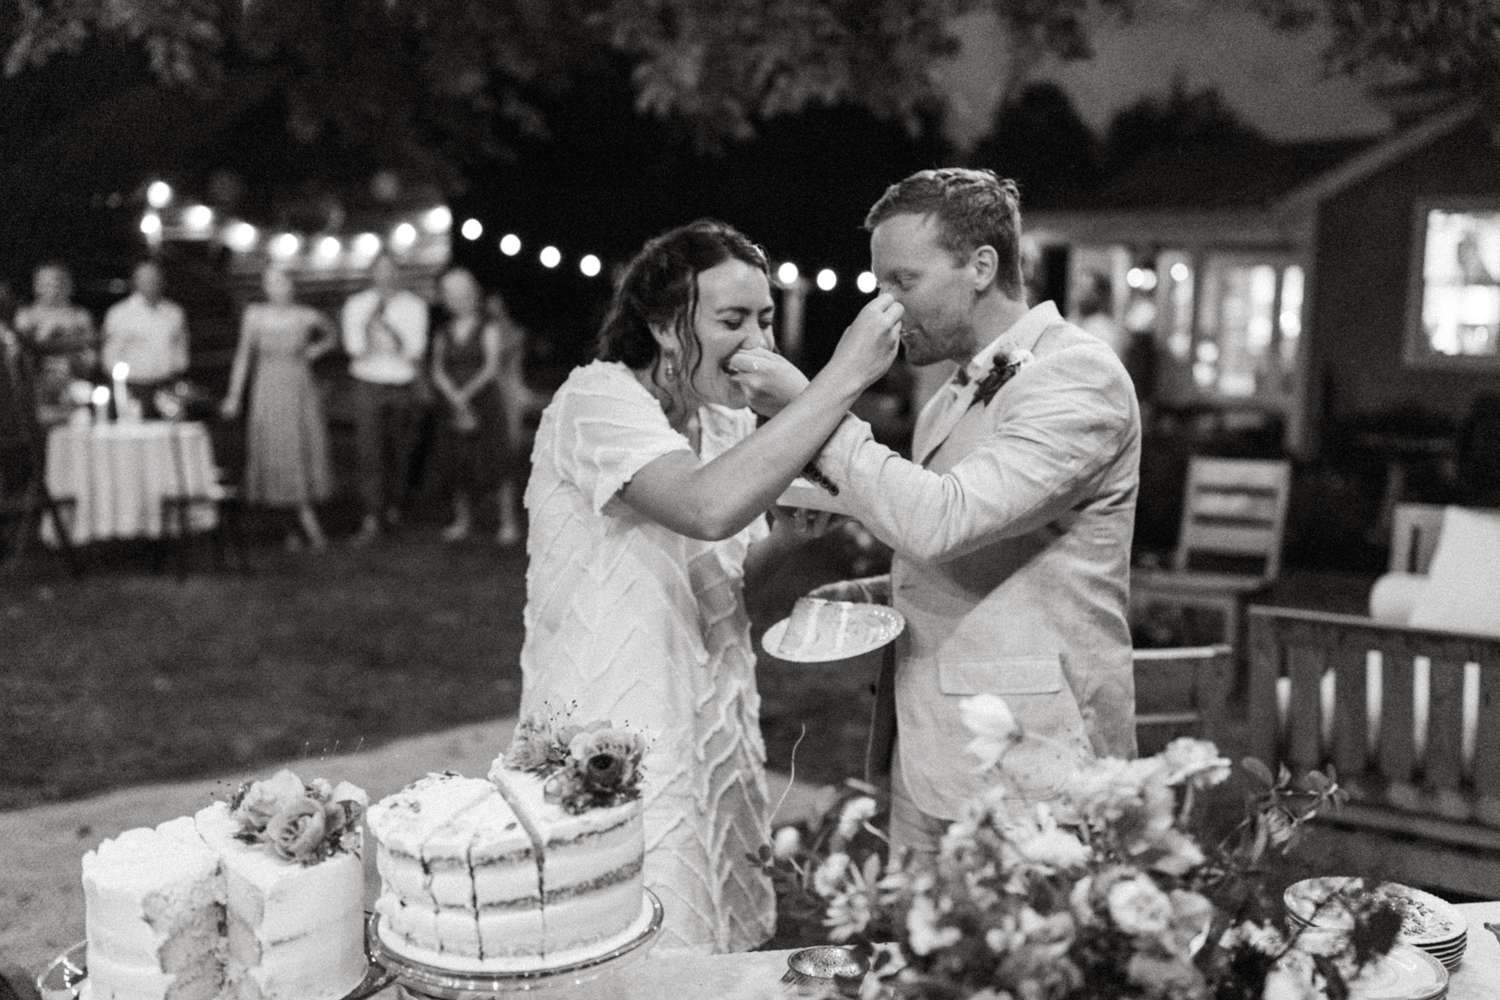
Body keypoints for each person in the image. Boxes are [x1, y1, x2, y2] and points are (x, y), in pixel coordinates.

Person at [517, 219, 902, 953]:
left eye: (763, 317)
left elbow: (725, 575)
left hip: (711, 705)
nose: (756, 338)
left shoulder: (724, 424)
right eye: (731, 320)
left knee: (717, 935)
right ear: (665, 326)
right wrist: (842, 377)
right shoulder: (596, 401)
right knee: (628, 935)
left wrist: (792, 537)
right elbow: (704, 507)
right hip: (616, 709)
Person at [806, 168, 1142, 859]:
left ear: (981, 267)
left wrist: (812, 406)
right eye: (880, 285)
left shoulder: (1078, 376)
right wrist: (879, 591)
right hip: (929, 749)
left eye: (903, 282)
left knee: (1028, 965)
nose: (885, 309)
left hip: (1031, 763)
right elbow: (971, 544)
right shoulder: (952, 392)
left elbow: (941, 519)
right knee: (914, 957)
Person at [220, 264, 337, 551]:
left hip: (297, 387)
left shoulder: (305, 316)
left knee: (297, 447)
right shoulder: (255, 316)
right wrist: (235, 395)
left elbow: (332, 334)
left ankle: (306, 522)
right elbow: (243, 357)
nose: (276, 289)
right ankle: (290, 525)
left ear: (290, 286)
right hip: (267, 389)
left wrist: (315, 350)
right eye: (270, 283)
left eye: (281, 283)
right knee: (275, 449)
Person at [339, 251, 429, 544]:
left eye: (391, 269)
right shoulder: (357, 305)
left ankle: (394, 509)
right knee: (369, 451)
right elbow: (355, 349)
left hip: (401, 383)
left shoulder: (414, 306)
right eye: (380, 270)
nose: (386, 275)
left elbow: (414, 350)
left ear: (398, 273)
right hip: (368, 382)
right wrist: (369, 330)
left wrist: (391, 334)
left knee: (400, 449)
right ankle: (371, 515)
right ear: (372, 273)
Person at [428, 268, 506, 543]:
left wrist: (466, 395)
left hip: (484, 402)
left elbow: (491, 366)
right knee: (458, 463)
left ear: (473, 296)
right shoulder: (443, 332)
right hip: (452, 404)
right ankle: (463, 521)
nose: (459, 300)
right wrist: (453, 395)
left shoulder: (488, 327)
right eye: (452, 295)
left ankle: (507, 523)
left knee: (494, 461)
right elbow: (437, 369)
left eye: (464, 294)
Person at [101, 260, 190, 418]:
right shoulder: (119, 313)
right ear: (136, 281)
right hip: (133, 389)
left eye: (155, 278)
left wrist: (176, 374)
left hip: (166, 388)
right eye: (146, 279)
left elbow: (181, 348)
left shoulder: (174, 312)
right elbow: (110, 355)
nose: (151, 283)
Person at [13, 262, 96, 425]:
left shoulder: (79, 316)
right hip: (37, 393)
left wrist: (80, 361)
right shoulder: (25, 317)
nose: (52, 289)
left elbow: (90, 357)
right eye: (45, 283)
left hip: (73, 390)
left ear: (67, 285)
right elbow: (19, 357)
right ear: (36, 286)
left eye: (57, 283)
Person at [486, 290, 530, 546]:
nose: (492, 307)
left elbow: (504, 360)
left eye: (496, 303)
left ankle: (508, 519)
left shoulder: (514, 334)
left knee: (506, 458)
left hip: (508, 398)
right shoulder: (484, 330)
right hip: (489, 398)